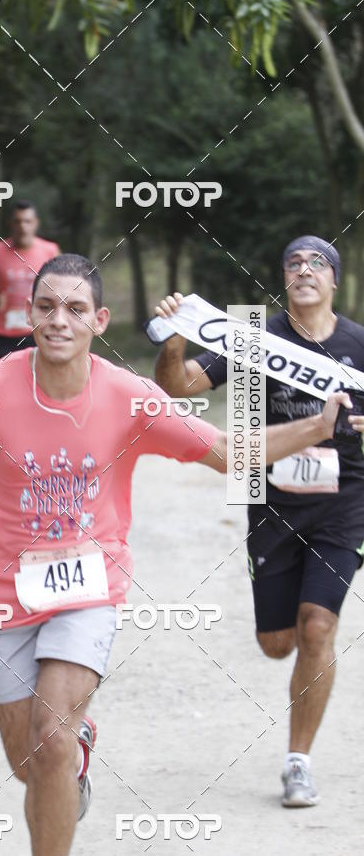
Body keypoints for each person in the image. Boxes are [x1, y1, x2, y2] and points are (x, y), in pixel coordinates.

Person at [0, 254, 359, 855]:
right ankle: (74, 757)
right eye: (47, 307)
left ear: (99, 320)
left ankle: (64, 757)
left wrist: (318, 427)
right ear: (29, 314)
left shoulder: (129, 396)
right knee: (33, 766)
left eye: (75, 309)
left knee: (50, 738)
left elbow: (229, 451)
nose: (59, 320)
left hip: (88, 590)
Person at [153, 235, 364, 808]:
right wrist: (175, 338)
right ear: (284, 278)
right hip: (272, 503)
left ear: (334, 280)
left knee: (317, 626)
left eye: (318, 263)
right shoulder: (254, 341)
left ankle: (298, 762)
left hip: (343, 504)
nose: (305, 270)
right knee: (277, 643)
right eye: (294, 262)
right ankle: (293, 643)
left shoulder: (357, 344)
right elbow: (176, 387)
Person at [0, 200, 59, 362]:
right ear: (11, 224)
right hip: (5, 332)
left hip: (38, 331)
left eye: (27, 221)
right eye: (18, 221)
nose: (22, 226)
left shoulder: (50, 251)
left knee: (37, 377)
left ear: (36, 223)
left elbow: (63, 287)